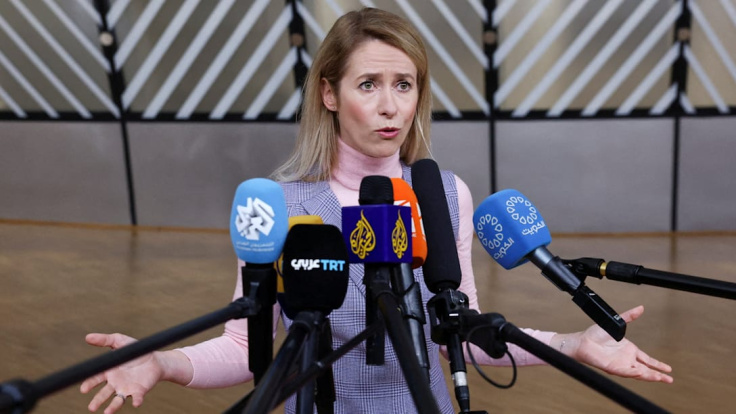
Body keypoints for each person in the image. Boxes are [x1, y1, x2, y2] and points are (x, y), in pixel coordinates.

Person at [80, 7, 673, 414]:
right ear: (329, 94)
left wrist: (572, 344)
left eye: (404, 85)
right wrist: (163, 362)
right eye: (368, 84)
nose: (391, 106)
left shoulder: (444, 195)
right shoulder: (281, 205)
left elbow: (457, 333)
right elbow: (245, 349)